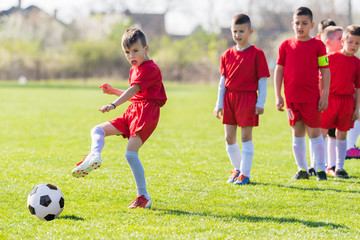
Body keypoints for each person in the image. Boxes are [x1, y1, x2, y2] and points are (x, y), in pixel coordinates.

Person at [71, 28, 167, 209]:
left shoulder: (151, 68)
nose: (131, 55)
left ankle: (143, 196)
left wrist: (114, 104)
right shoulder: (135, 69)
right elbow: (136, 95)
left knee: (131, 154)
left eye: (135, 51)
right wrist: (114, 91)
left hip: (146, 113)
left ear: (146, 49)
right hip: (134, 109)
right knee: (97, 130)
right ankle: (93, 156)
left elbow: (134, 91)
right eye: (127, 52)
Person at [274, 7, 330, 181]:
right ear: (292, 24)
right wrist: (278, 95)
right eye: (297, 23)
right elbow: (279, 70)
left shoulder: (318, 45)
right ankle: (302, 170)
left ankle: (320, 169)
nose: (300, 26)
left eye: (304, 23)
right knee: (297, 134)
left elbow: (325, 70)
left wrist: (325, 93)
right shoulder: (285, 45)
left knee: (315, 134)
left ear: (311, 25)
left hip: (311, 99)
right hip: (292, 99)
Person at [214, 13, 270, 185]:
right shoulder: (226, 55)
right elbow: (222, 82)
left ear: (250, 31)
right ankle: (237, 169)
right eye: (235, 31)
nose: (238, 35)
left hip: (247, 98)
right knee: (229, 138)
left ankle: (245, 174)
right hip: (230, 99)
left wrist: (260, 103)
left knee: (246, 137)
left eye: (241, 31)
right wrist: (219, 104)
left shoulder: (257, 54)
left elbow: (262, 81)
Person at [321, 25, 360, 179]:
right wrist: (321, 98)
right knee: (322, 132)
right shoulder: (330, 58)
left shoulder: (357, 63)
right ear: (343, 41)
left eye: (357, 43)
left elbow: (358, 88)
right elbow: (320, 80)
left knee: (341, 134)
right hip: (330, 100)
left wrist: (357, 109)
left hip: (347, 102)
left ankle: (339, 167)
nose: (354, 46)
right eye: (351, 42)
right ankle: (318, 166)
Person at [308, 20, 338, 176]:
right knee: (317, 133)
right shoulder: (317, 52)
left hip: (336, 100)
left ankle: (330, 165)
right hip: (320, 99)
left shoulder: (339, 57)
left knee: (332, 133)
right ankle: (315, 165)